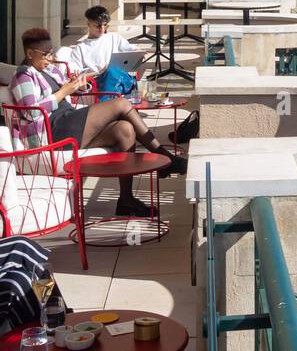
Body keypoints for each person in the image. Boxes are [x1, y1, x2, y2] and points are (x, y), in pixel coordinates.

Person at [10, 28, 186, 218]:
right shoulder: (23, 76)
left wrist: (79, 84)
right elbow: (30, 111)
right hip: (52, 129)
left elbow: (72, 92)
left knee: (124, 130)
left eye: (51, 52)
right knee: (121, 103)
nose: (50, 58)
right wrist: (64, 92)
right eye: (46, 54)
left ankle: (126, 200)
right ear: (29, 54)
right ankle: (162, 155)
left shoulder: (50, 70)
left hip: (68, 120)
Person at [55, 5, 137, 80]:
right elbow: (76, 76)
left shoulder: (115, 38)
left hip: (119, 79)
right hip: (98, 83)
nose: (102, 29)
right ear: (88, 24)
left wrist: (139, 54)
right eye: (97, 26)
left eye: (105, 25)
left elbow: (130, 51)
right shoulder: (81, 48)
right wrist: (100, 72)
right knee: (110, 73)